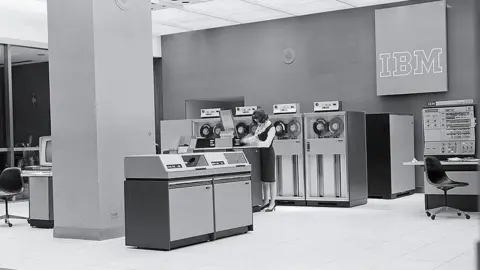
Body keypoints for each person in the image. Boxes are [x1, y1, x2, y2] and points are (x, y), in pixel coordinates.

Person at [240, 109, 276, 212]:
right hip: (260, 154)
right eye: (255, 120)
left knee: (270, 180)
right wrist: (245, 140)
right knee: (264, 180)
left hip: (268, 154)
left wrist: (255, 144)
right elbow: (255, 137)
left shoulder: (271, 128)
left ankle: (273, 202)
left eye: (258, 120)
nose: (257, 122)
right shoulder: (260, 126)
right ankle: (266, 201)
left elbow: (267, 143)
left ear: (263, 118)